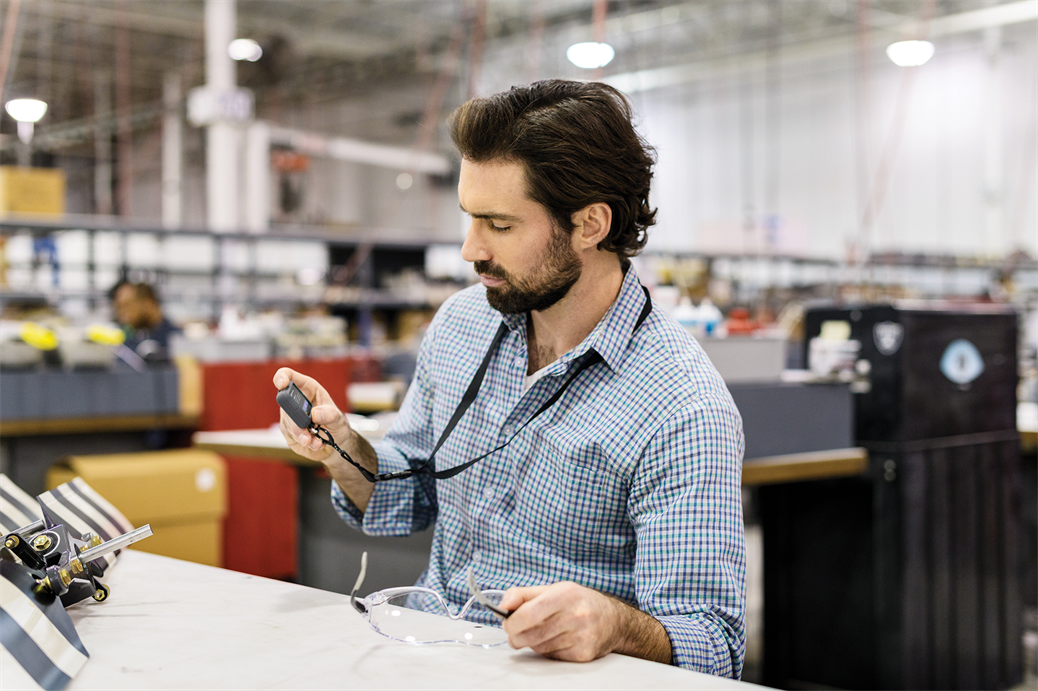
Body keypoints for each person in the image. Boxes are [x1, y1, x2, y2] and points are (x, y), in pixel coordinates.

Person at [275, 80, 746, 677]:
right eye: (470, 219)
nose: (470, 250)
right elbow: (409, 495)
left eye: (498, 225)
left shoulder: (683, 408)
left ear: (590, 224)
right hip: (431, 653)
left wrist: (610, 622)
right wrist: (344, 449)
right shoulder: (463, 324)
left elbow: (714, 644)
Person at [111, 281, 181, 359]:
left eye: (127, 305)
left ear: (148, 303)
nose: (122, 313)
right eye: (118, 307)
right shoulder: (127, 342)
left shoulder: (176, 340)